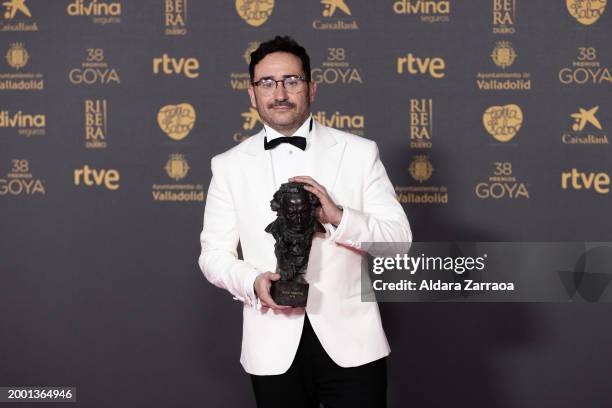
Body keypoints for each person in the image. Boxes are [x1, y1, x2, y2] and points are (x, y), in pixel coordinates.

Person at [198, 35, 412, 408]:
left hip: (354, 348)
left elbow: (398, 241)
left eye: (291, 81)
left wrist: (339, 217)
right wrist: (253, 282)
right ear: (252, 94)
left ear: (311, 88)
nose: (279, 92)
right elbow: (213, 255)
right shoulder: (227, 165)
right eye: (267, 82)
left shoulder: (359, 153)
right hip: (271, 346)